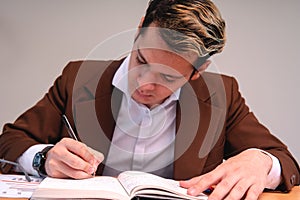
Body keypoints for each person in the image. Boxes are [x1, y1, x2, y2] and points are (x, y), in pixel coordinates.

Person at [0, 0, 299, 199]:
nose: (144, 84)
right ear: (141, 26)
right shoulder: (78, 77)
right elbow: (10, 141)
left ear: (199, 71)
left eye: (168, 77)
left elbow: (287, 164)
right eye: (141, 60)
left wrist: (261, 162)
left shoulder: (222, 94)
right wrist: (44, 157)